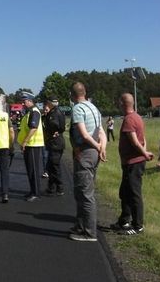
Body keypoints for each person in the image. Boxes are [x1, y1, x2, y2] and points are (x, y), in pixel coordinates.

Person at [68, 82, 107, 242]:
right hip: (94, 152)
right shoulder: (93, 107)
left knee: (85, 193)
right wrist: (102, 147)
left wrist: (96, 146)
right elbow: (101, 132)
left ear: (72, 95)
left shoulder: (78, 109)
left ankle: (89, 232)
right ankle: (80, 224)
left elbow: (84, 134)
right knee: (80, 191)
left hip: (85, 152)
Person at [111, 93, 154, 235]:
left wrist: (144, 153)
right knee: (125, 192)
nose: (118, 105)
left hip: (133, 163)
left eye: (119, 102)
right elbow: (143, 138)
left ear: (123, 104)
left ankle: (137, 226)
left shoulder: (129, 120)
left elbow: (135, 141)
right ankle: (124, 220)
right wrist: (145, 150)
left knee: (134, 193)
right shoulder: (137, 117)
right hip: (132, 161)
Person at [17, 91, 44, 202]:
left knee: (33, 170)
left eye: (24, 101)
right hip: (29, 144)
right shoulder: (29, 112)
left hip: (33, 144)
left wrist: (25, 142)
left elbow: (33, 128)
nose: (23, 104)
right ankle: (33, 190)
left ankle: (36, 193)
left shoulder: (34, 112)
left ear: (30, 101)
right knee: (30, 169)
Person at [43, 95, 66, 196]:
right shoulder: (58, 111)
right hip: (55, 142)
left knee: (54, 165)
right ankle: (51, 186)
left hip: (55, 142)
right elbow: (62, 127)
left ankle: (60, 187)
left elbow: (55, 124)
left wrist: (53, 131)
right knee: (51, 165)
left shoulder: (54, 113)